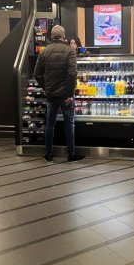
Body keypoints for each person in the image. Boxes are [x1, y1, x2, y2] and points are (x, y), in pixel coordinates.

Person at [34, 25, 84, 163]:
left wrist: (46, 88)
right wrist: (69, 94)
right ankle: (71, 154)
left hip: (51, 95)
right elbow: (72, 74)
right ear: (63, 36)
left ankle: (49, 154)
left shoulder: (44, 52)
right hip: (65, 96)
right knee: (69, 124)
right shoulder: (69, 51)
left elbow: (37, 74)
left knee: (50, 125)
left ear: (51, 36)